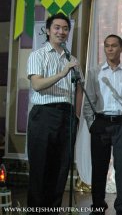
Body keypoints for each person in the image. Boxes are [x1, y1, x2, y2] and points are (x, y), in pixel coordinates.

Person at [26, 13, 83, 212]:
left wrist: (76, 116)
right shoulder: (38, 54)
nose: (61, 32)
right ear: (48, 30)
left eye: (65, 28)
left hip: (67, 117)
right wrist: (61, 73)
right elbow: (37, 84)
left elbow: (79, 89)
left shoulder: (72, 59)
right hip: (44, 114)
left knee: (60, 170)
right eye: (57, 27)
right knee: (41, 167)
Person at [83, 34, 122, 215]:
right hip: (101, 124)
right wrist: (90, 124)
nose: (110, 49)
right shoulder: (95, 72)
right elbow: (89, 101)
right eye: (107, 46)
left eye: (114, 46)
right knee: (99, 166)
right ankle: (98, 205)